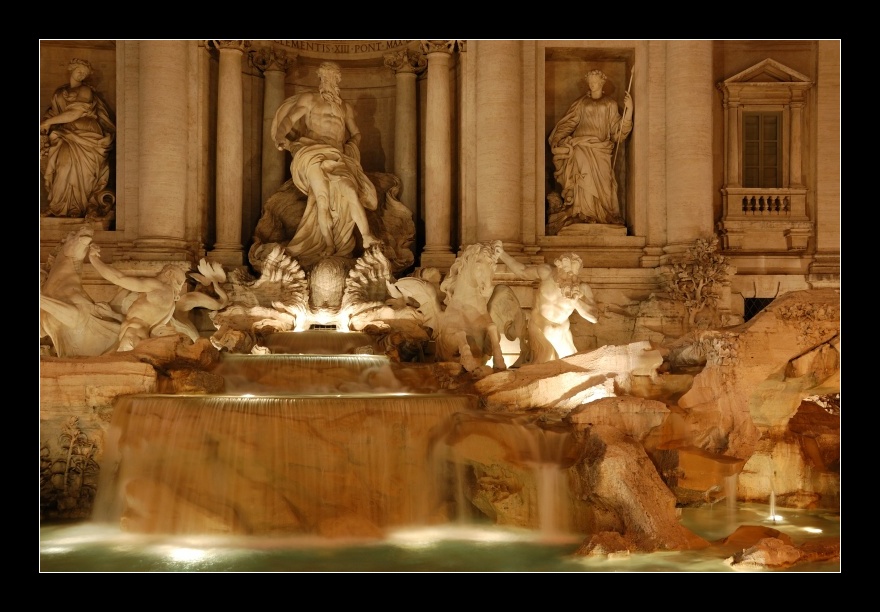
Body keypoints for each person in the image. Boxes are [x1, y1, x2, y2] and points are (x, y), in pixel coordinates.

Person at [270, 61, 379, 267]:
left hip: (337, 155)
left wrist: (351, 146)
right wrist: (280, 136)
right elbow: (289, 119)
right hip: (312, 151)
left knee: (349, 189)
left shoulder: (345, 108)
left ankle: (367, 236)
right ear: (320, 78)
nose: (330, 80)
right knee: (322, 198)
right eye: (326, 76)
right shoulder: (309, 99)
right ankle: (329, 244)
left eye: (334, 76)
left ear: (338, 80)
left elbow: (356, 133)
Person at [548, 69, 632, 226]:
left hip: (601, 149)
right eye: (590, 82)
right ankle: (582, 213)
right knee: (582, 177)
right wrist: (558, 138)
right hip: (580, 145)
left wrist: (629, 110)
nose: (592, 85)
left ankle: (603, 214)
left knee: (605, 183)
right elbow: (570, 122)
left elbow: (618, 132)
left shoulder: (610, 104)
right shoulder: (581, 103)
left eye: (595, 82)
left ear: (602, 83)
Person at [40, 58, 116, 218]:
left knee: (83, 173)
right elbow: (54, 113)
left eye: (85, 73)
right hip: (65, 135)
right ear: (71, 69)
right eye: (79, 71)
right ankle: (58, 207)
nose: (82, 75)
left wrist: (48, 122)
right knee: (63, 167)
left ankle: (78, 208)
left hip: (86, 134)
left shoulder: (85, 91)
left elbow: (75, 113)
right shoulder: (59, 93)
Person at [497, 250, 598, 363]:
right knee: (544, 362)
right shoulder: (546, 272)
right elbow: (522, 271)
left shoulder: (582, 288)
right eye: (566, 272)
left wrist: (576, 302)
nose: (569, 276)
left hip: (561, 330)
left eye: (573, 274)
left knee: (572, 363)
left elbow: (593, 318)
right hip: (539, 325)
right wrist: (501, 254)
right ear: (559, 267)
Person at [88, 244, 188, 351]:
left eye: (161, 272)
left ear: (169, 273)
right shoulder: (170, 302)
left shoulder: (159, 287)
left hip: (132, 336)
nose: (158, 274)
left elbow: (119, 278)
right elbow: (140, 319)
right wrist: (112, 314)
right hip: (136, 336)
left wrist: (94, 259)